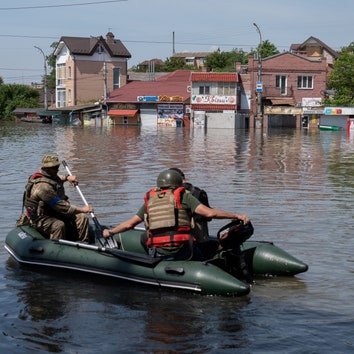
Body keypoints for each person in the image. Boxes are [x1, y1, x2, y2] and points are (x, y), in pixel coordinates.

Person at [103, 169, 250, 261]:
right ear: (179, 183)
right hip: (182, 251)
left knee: (145, 238)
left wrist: (110, 232)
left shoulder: (151, 199)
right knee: (204, 257)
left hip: (159, 252)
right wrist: (236, 215)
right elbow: (210, 213)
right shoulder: (184, 196)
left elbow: (130, 224)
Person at [23, 153, 94, 241]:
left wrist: (67, 178)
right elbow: (61, 206)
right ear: (46, 168)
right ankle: (57, 248)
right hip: (40, 218)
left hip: (53, 212)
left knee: (82, 217)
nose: (57, 170)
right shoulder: (43, 188)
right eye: (54, 168)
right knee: (58, 225)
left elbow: (56, 179)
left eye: (57, 167)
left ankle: (83, 244)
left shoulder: (49, 175)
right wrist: (83, 209)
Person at [169, 167, 216, 259]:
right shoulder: (199, 193)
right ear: (183, 179)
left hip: (177, 239)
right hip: (201, 238)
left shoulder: (164, 196)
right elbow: (209, 216)